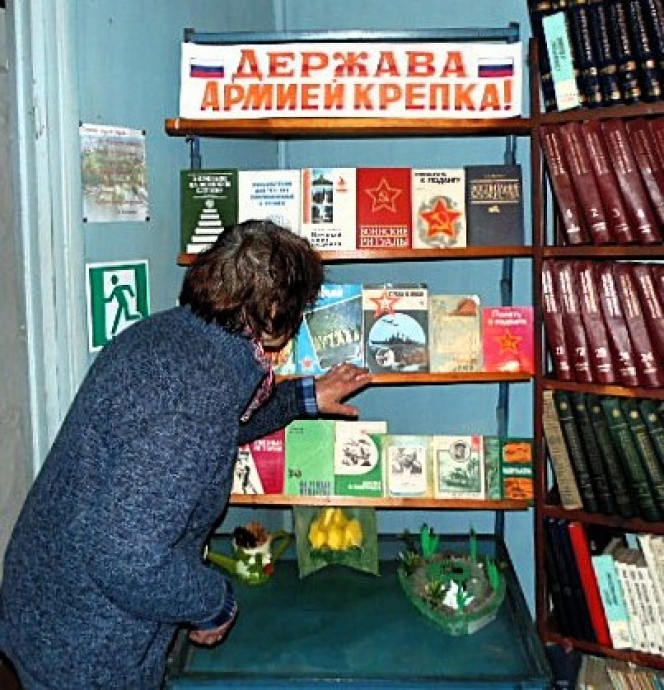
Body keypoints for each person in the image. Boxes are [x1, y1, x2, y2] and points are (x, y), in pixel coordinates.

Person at [0, 220, 371, 690]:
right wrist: (214, 602)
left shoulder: (172, 336)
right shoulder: (196, 394)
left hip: (46, 593)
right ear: (275, 312)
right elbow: (127, 558)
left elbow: (215, 428)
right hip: (85, 643)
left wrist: (302, 398)